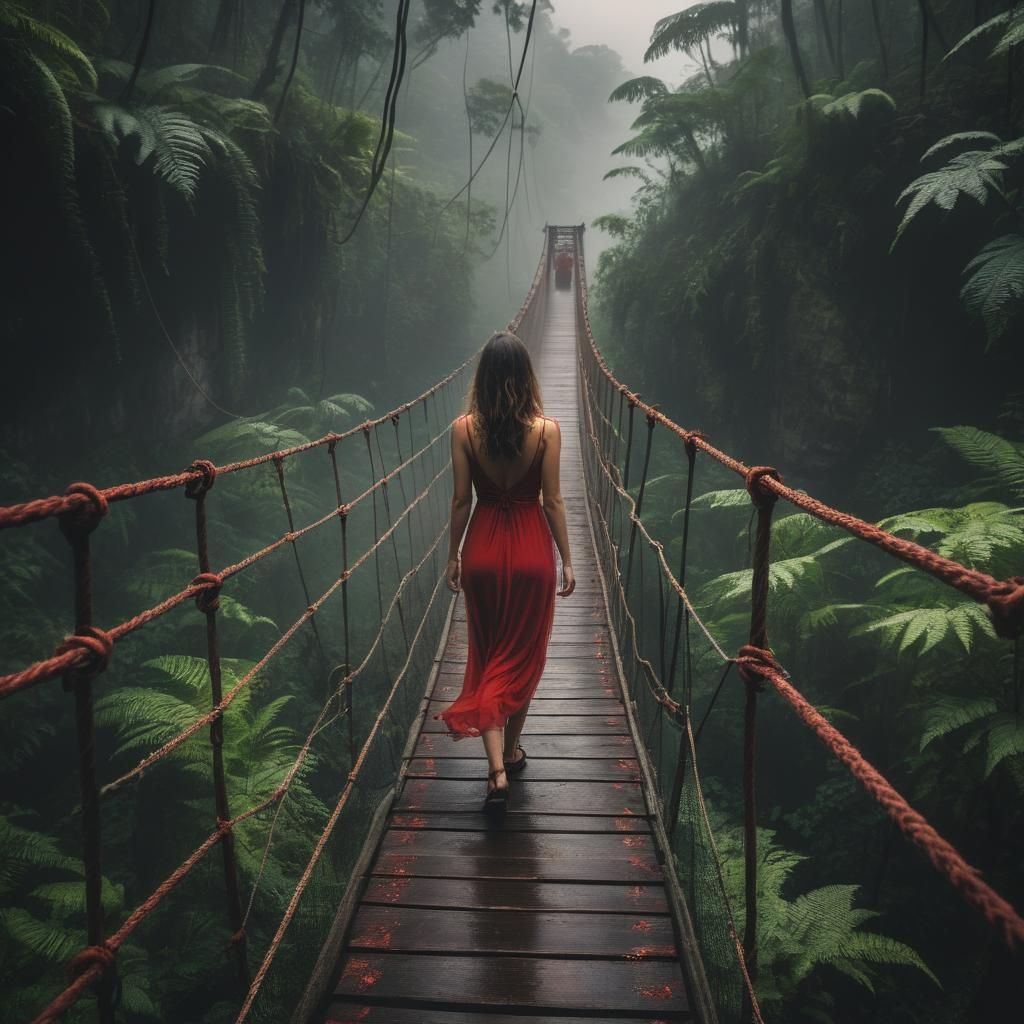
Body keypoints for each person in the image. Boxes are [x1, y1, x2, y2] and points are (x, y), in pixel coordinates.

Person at [437, 329, 575, 818]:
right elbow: (553, 500)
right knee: (522, 656)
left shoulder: (462, 430)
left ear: (483, 378)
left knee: (489, 654)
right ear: (525, 377)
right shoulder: (548, 431)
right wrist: (569, 558)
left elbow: (460, 500)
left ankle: (498, 769)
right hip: (532, 554)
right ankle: (508, 759)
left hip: (483, 551)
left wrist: (453, 556)